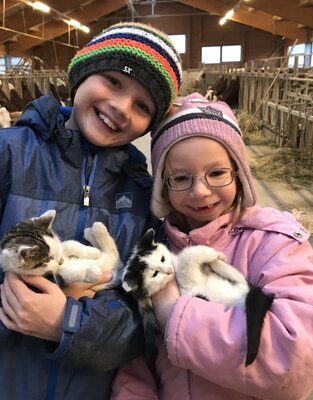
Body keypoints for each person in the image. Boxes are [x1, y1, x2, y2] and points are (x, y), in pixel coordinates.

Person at [112, 93, 313, 400]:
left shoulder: (273, 243)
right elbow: (137, 357)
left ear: (240, 173)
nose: (200, 191)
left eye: (217, 173)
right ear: (162, 187)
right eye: (180, 177)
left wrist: (174, 315)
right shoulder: (155, 250)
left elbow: (297, 357)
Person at [0, 22, 182, 400]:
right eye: (114, 81)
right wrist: (18, 307)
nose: (120, 107)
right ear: (82, 73)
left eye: (143, 105)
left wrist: (64, 324)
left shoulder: (141, 195)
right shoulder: (10, 155)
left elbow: (143, 316)